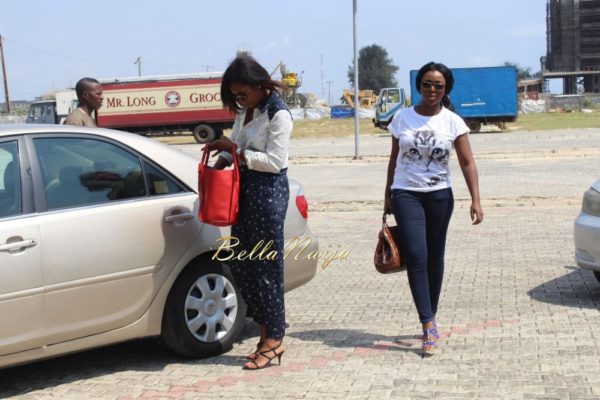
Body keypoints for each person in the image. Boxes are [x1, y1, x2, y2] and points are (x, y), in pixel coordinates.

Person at [383, 61, 484, 353]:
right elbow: (394, 160)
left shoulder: (452, 121)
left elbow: (467, 162)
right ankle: (427, 323)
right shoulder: (402, 118)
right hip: (406, 194)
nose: (432, 90)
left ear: (445, 89)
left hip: (440, 196)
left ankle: (432, 313)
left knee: (435, 258)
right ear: (419, 86)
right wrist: (388, 194)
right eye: (427, 84)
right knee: (416, 256)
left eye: (438, 85)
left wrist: (475, 199)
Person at [205, 55, 292, 370]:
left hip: (267, 194)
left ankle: (274, 339)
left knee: (267, 270)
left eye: (243, 94)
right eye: (235, 97)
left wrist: (237, 152)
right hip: (242, 192)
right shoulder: (245, 111)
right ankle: (265, 329)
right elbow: (237, 145)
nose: (239, 101)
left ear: (259, 84)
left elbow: (274, 161)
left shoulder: (279, 114)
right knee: (242, 265)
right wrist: (221, 161)